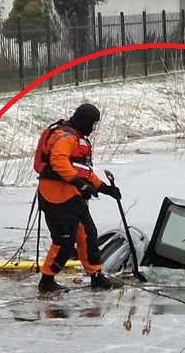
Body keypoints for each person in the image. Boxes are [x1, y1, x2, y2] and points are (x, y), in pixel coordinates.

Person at [32, 103, 122, 294]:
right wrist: (79, 184)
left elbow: (83, 171)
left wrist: (105, 188)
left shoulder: (75, 138)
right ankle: (47, 281)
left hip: (71, 196)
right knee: (64, 241)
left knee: (88, 234)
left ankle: (96, 275)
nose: (93, 128)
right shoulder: (67, 138)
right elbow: (58, 161)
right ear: (84, 121)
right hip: (56, 197)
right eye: (92, 124)